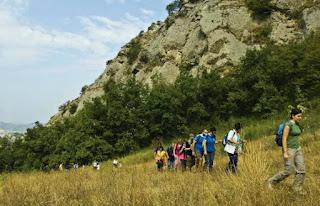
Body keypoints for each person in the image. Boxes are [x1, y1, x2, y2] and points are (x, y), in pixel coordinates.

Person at [268, 108, 306, 194]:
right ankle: (271, 181)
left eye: (301, 116)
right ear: (293, 116)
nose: (300, 118)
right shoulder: (288, 125)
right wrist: (285, 152)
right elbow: (284, 139)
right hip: (289, 149)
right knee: (288, 171)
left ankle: (296, 189)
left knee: (301, 170)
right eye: (298, 116)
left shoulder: (297, 124)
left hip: (298, 149)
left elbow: (299, 133)